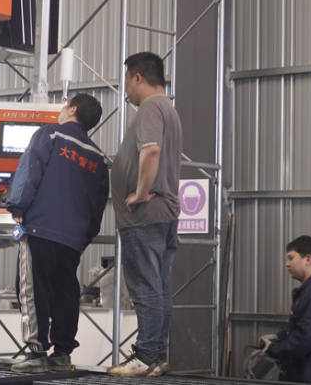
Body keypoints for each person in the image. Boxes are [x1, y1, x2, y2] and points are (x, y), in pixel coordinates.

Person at [6, 94, 110, 373]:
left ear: (72, 109)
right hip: (74, 237)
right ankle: (62, 353)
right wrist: (85, 236)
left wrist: (17, 206)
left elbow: (30, 169)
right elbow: (99, 203)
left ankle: (36, 352)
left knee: (33, 288)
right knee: (65, 291)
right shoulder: (98, 156)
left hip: (40, 226)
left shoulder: (50, 134)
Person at [107, 52, 182, 377]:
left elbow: (150, 150)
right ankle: (157, 354)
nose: (126, 89)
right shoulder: (169, 109)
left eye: (126, 81)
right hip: (163, 213)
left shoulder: (151, 107)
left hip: (145, 215)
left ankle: (145, 354)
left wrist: (139, 193)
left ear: (137, 77)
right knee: (159, 286)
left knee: (145, 287)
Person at [262, 235, 311, 385]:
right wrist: (280, 336)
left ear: (308, 259)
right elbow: (307, 327)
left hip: (310, 378)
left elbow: (307, 339)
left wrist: (273, 348)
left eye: (291, 258)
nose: (287, 264)